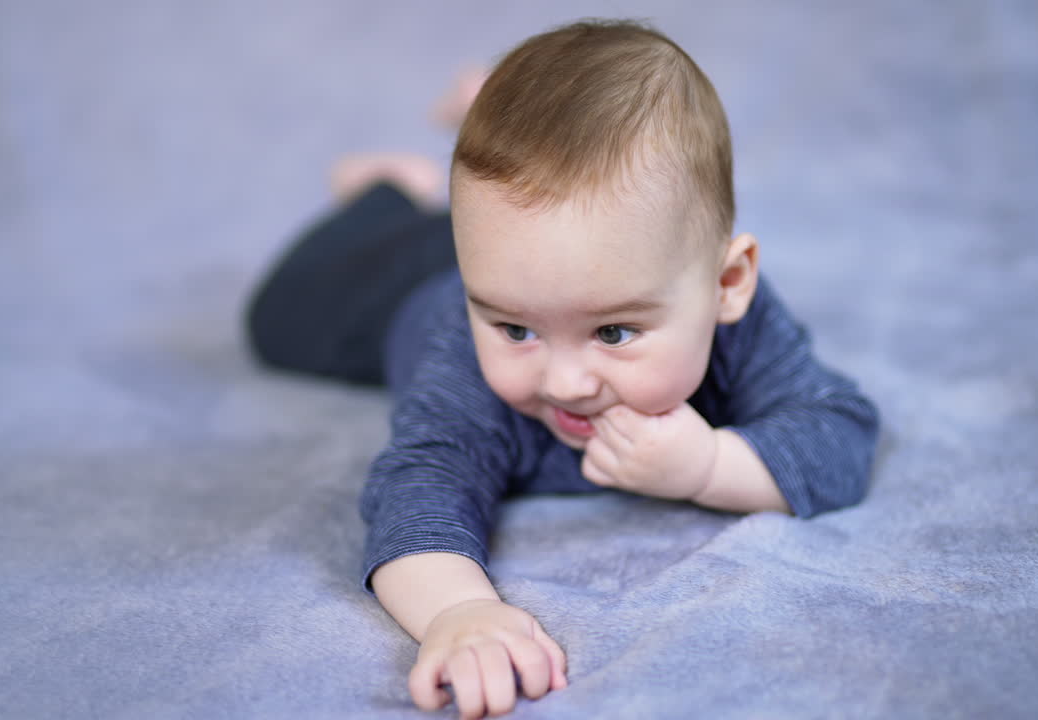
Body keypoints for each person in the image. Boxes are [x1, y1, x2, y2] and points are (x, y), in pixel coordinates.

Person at [245, 19, 879, 719]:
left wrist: (709, 467)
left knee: (518, 240)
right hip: (407, 287)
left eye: (614, 331)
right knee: (279, 317)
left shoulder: (736, 317)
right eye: (516, 331)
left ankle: (478, 137)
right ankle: (391, 191)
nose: (565, 382)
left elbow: (841, 435)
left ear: (727, 284)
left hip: (510, 250)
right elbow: (418, 488)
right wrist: (460, 612)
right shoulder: (464, 360)